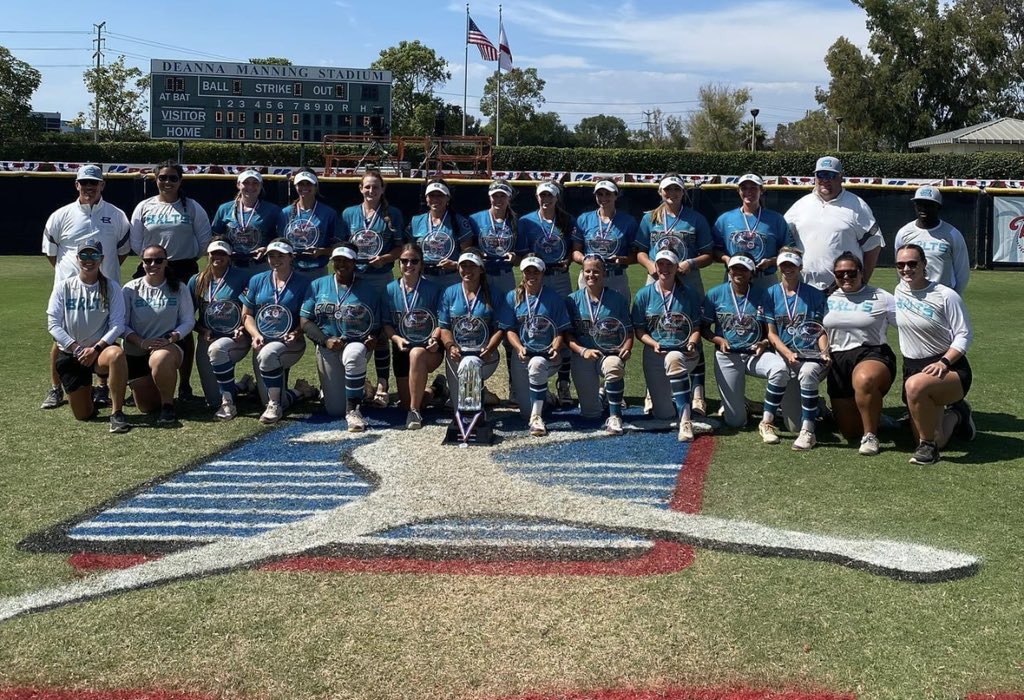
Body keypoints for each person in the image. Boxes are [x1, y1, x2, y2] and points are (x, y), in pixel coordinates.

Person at [41, 164, 131, 410]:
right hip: (69, 289)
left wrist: (102, 273)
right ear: (76, 184)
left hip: (104, 287)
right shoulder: (60, 215)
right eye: (84, 183)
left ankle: (102, 388)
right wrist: (72, 277)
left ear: (102, 185)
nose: (89, 187)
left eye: (94, 183)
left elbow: (121, 253)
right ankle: (56, 388)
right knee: (60, 337)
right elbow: (51, 254)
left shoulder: (117, 215)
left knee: (106, 333)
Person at [129, 161, 212, 402]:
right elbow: (136, 241)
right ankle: (145, 381)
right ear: (156, 180)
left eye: (173, 178)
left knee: (183, 328)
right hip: (152, 267)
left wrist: (182, 260)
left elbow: (204, 241)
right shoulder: (144, 206)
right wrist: (154, 262)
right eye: (163, 177)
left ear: (180, 180)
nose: (167, 182)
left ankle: (184, 385)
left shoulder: (192, 207)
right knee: (143, 322)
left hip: (183, 269)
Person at [635, 173, 713, 415]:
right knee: (655, 328)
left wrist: (691, 263)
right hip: (658, 276)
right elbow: (640, 250)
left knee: (692, 329)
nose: (672, 194)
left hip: (688, 278)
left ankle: (698, 393)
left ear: (683, 192)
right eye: (667, 189)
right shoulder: (650, 218)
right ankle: (652, 391)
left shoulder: (695, 218)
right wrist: (650, 266)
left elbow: (708, 254)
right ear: (660, 192)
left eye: (677, 189)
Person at [894, 243, 974, 465]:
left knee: (915, 387)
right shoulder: (899, 290)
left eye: (912, 263)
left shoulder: (945, 295)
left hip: (949, 368)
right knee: (938, 437)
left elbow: (964, 334)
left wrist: (944, 361)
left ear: (924, 264)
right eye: (900, 265)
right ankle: (958, 414)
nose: (906, 269)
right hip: (912, 367)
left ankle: (928, 449)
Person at [701, 253, 790, 443]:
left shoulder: (763, 295)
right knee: (735, 421)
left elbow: (771, 331)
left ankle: (767, 420)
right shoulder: (715, 294)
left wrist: (764, 343)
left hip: (755, 354)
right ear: (729, 270)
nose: (738, 272)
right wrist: (718, 340)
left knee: (780, 369)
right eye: (735, 268)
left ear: (752, 273)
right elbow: (704, 328)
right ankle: (745, 406)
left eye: (744, 269)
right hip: (727, 355)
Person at [46, 240, 130, 433]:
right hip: (72, 354)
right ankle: (88, 393)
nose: (88, 260)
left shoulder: (111, 287)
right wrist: (76, 348)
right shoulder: (64, 287)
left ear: (101, 259)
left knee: (117, 355)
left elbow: (117, 325)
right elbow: (53, 324)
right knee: (83, 415)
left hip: (99, 353)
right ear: (77, 258)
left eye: (94, 255)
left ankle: (117, 413)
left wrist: (96, 348)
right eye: (84, 255)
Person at [339, 168, 406, 409]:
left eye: (375, 187)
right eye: (367, 186)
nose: (371, 190)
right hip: (355, 279)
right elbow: (342, 246)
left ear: (383, 189)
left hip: (381, 278)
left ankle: (382, 385)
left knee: (381, 333)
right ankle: (357, 381)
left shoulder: (393, 213)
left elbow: (400, 248)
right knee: (355, 327)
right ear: (360, 188)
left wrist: (385, 258)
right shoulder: (349, 213)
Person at [300, 243, 383, 431]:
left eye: (346, 260)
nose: (341, 264)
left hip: (355, 343)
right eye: (337, 260)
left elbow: (376, 325)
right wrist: (325, 340)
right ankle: (362, 388)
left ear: (354, 262)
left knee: (354, 354)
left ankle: (353, 411)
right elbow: (305, 321)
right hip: (328, 345)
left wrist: (372, 337)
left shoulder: (368, 290)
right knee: (335, 409)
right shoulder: (317, 285)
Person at [822, 251, 898, 456]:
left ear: (862, 273)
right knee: (850, 431)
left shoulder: (881, 297)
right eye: (840, 274)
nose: (846, 277)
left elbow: (908, 324)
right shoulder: (825, 297)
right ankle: (875, 416)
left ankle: (871, 435)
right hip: (838, 361)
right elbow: (816, 329)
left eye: (851, 272)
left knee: (865, 379)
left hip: (872, 353)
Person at [631, 250, 704, 441]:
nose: (664, 268)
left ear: (677, 267)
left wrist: (692, 343)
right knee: (663, 413)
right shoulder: (644, 294)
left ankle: (685, 420)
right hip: (655, 352)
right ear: (655, 266)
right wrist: (653, 343)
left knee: (674, 358)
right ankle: (677, 398)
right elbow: (639, 330)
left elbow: (696, 327)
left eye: (669, 264)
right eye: (661, 264)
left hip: (682, 352)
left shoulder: (689, 294)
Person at [240, 238, 315, 424]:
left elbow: (308, 318)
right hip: (262, 342)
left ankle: (274, 405)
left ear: (291, 257)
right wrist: (255, 335)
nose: (275, 259)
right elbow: (247, 314)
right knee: (266, 397)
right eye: (271, 255)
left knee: (269, 357)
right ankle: (300, 391)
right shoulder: (257, 279)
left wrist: (296, 333)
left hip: (290, 343)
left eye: (280, 255)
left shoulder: (304, 283)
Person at [784, 156, 884, 292]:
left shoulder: (857, 205)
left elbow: (873, 246)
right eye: (821, 175)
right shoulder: (801, 205)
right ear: (815, 177)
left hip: (844, 289)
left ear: (841, 177)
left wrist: (863, 281)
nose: (825, 180)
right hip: (804, 289)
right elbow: (783, 239)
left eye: (831, 175)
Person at [121, 244, 196, 425]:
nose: (153, 264)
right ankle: (157, 391)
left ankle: (168, 405)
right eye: (148, 261)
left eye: (158, 260)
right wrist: (141, 342)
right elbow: (121, 324)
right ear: (142, 263)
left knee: (160, 358)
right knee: (147, 407)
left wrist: (172, 338)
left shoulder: (179, 288)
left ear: (166, 262)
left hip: (168, 345)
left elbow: (188, 321)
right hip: (137, 348)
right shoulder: (130, 289)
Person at [765, 247, 831, 450]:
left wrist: (824, 352)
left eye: (792, 265)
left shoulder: (815, 294)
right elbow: (771, 334)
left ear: (800, 267)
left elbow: (819, 330)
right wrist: (787, 353)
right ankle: (815, 405)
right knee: (791, 425)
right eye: (784, 265)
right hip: (785, 355)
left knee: (809, 372)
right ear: (778, 267)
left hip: (809, 354)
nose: (788, 269)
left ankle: (808, 431)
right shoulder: (770, 294)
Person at [519, 179, 576, 405]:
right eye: (542, 195)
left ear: (556, 197)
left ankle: (563, 382)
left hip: (559, 278)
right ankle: (533, 381)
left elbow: (573, 249)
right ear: (537, 197)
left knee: (564, 326)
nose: (546, 199)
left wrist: (567, 260)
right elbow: (522, 252)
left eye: (550, 195)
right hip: (536, 278)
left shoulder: (566, 220)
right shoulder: (526, 221)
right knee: (535, 323)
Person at [502, 256, 571, 436]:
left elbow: (560, 331)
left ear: (543, 273)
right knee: (524, 411)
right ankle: (544, 396)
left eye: (536, 271)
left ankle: (536, 418)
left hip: (546, 355)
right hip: (522, 355)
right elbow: (509, 330)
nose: (532, 275)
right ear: (522, 273)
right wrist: (519, 347)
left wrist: (556, 347)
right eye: (528, 271)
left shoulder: (553, 298)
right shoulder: (512, 297)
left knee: (537, 364)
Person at [566, 255, 633, 434]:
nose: (591, 275)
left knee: (614, 365)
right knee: (591, 414)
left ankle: (615, 415)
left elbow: (628, 331)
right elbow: (567, 335)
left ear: (604, 273)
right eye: (587, 271)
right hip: (584, 355)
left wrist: (626, 348)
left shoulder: (617, 299)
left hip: (608, 353)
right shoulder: (572, 300)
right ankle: (602, 395)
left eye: (596, 271)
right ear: (582, 273)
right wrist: (582, 350)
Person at [438, 250, 508, 419]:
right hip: (456, 353)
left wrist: (490, 348)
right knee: (459, 408)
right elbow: (444, 327)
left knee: (470, 371)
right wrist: (450, 346)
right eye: (464, 266)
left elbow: (500, 328)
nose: (467, 270)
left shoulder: (494, 293)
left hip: (484, 353)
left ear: (481, 269)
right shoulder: (449, 293)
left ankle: (477, 413)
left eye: (472, 266)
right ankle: (477, 394)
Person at [382, 243, 445, 430]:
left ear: (421, 264)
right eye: (404, 261)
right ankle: (436, 389)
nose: (409, 265)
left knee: (416, 354)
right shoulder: (389, 290)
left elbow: (442, 321)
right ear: (398, 263)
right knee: (405, 403)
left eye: (414, 261)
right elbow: (386, 324)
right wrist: (396, 339)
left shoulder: (433, 289)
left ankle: (414, 412)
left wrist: (435, 338)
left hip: (428, 348)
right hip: (402, 347)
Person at [187, 239, 253, 412]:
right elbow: (186, 316)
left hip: (236, 338)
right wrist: (202, 330)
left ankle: (233, 394)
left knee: (219, 352)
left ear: (230, 256)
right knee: (214, 401)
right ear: (207, 255)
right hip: (208, 336)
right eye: (214, 253)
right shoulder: (196, 280)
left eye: (223, 253)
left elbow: (251, 310)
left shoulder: (242, 277)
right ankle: (242, 385)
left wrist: (243, 328)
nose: (218, 256)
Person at [713, 173, 790, 289]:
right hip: (735, 277)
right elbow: (714, 250)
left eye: (753, 188)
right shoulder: (725, 219)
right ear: (738, 191)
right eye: (744, 188)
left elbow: (788, 250)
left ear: (761, 190)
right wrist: (727, 259)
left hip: (764, 278)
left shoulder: (776, 219)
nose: (748, 192)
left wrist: (771, 261)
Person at [893, 186, 970, 294]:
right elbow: (900, 267)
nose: (923, 208)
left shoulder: (953, 234)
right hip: (911, 295)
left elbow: (962, 272)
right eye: (919, 204)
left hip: (941, 296)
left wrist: (953, 296)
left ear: (938, 207)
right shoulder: (904, 233)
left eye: (928, 204)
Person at [572, 179, 637, 300]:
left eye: (608, 194)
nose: (603, 197)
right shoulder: (584, 219)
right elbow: (576, 251)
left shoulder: (628, 221)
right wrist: (585, 259)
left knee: (618, 311)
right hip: (590, 275)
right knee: (585, 310)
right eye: (600, 194)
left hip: (615, 277)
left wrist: (623, 260)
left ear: (616, 195)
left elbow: (635, 255)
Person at [408, 178, 476, 289]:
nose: (435, 199)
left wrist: (455, 264)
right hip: (424, 278)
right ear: (426, 198)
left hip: (451, 279)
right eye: (432, 195)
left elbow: (467, 254)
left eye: (440, 195)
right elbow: (409, 251)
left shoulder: (460, 222)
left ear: (447, 198)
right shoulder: (416, 221)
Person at [209, 169, 279, 278]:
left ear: (261, 186)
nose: (250, 187)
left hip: (260, 267)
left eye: (255, 183)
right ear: (238, 185)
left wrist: (267, 248)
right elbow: (215, 237)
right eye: (246, 182)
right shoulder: (225, 209)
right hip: (231, 266)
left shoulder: (272, 210)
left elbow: (279, 238)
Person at [277, 169, 342, 281]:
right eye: (301, 184)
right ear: (295, 186)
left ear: (316, 186)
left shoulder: (328, 213)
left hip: (318, 271)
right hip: (291, 271)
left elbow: (338, 246)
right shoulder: (285, 213)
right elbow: (279, 243)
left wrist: (321, 252)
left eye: (309, 184)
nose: (305, 187)